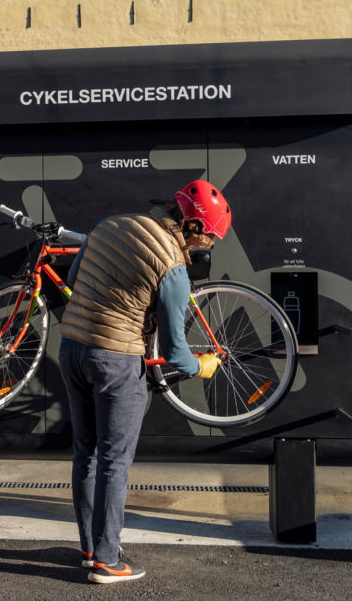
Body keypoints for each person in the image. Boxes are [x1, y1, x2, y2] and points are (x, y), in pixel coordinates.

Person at [58, 179, 231, 584]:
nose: (206, 246)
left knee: (87, 454)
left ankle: (90, 549)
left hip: (72, 348)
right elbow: (174, 351)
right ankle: (107, 561)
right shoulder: (173, 268)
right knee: (114, 460)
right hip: (116, 359)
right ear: (192, 226)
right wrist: (202, 367)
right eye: (208, 237)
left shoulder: (108, 225)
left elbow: (77, 276)